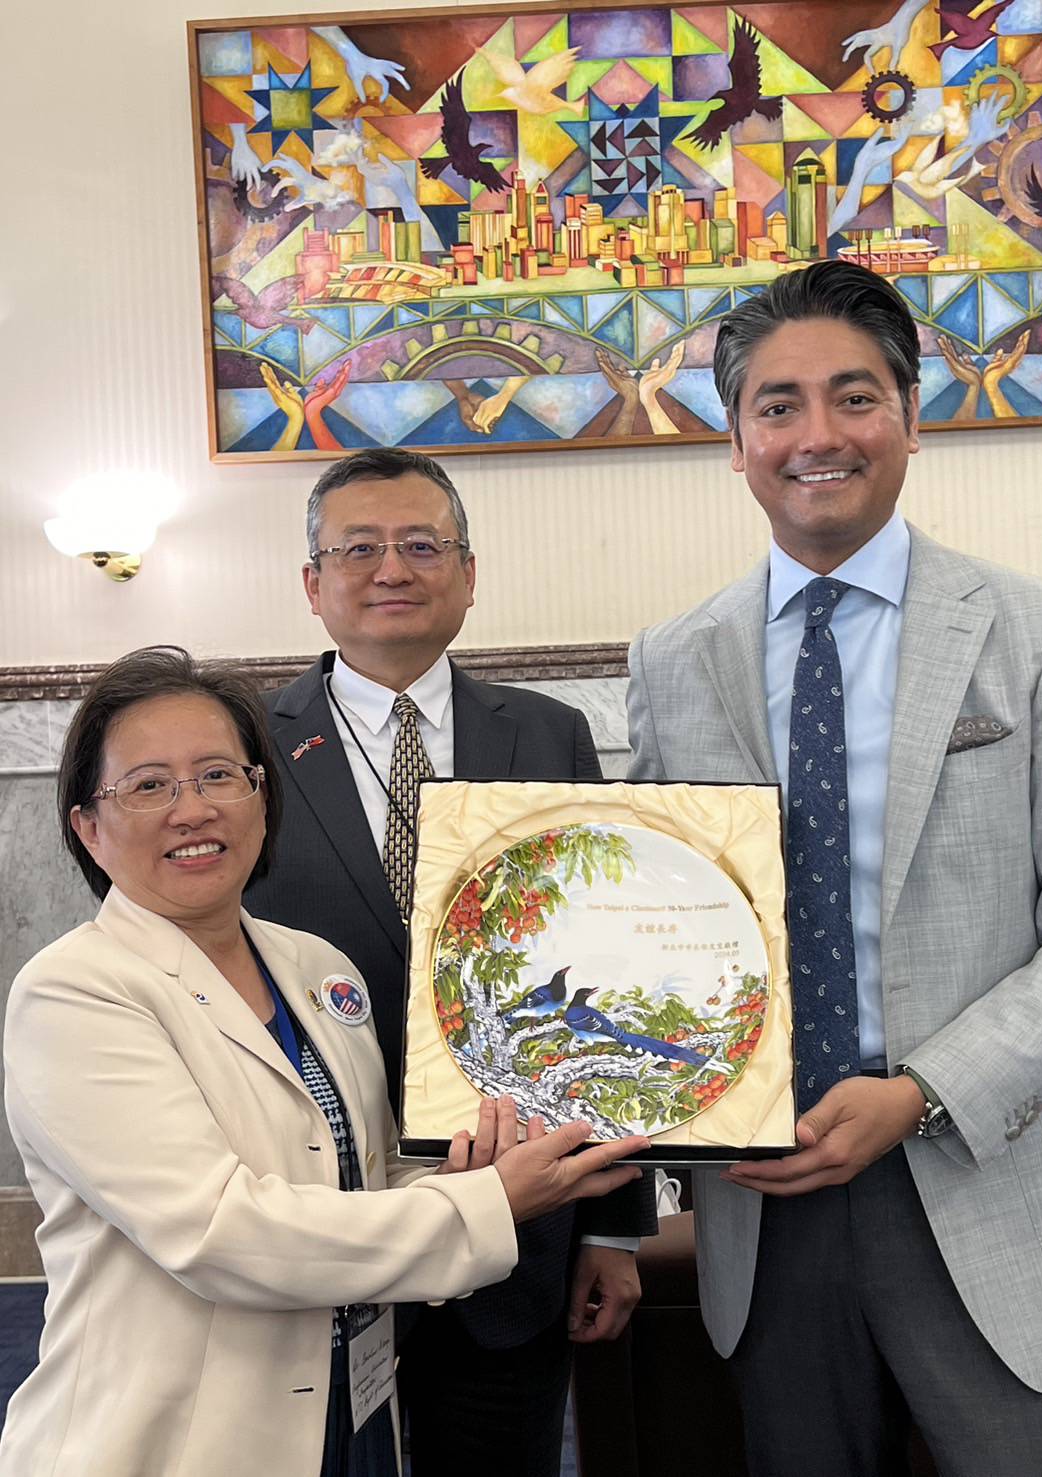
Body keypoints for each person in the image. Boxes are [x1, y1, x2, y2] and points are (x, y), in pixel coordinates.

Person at [626, 260, 1042, 1476]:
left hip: (994, 1175)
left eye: (854, 397)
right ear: (734, 442)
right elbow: (657, 922)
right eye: (776, 406)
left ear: (909, 415)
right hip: (765, 1201)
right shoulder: (673, 661)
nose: (816, 435)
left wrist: (923, 1091)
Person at [0, 647, 648, 1477]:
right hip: (180, 1436)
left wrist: (477, 1171)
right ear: (88, 824)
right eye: (149, 785)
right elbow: (220, 1231)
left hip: (349, 1408)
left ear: (263, 798)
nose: (192, 809)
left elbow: (369, 1177)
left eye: (219, 775)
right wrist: (487, 1204)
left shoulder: (317, 968)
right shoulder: (72, 994)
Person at [245, 447, 654, 1477]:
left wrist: (611, 1226)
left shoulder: (550, 735)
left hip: (512, 1218)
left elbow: (594, 967)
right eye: (360, 548)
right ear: (313, 584)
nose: (393, 568)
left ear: (467, 574)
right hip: (319, 1222)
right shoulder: (242, 747)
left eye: (422, 544)